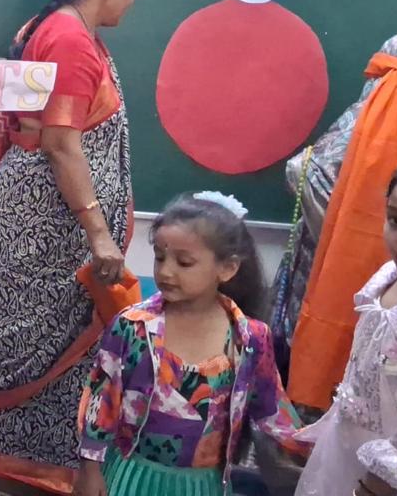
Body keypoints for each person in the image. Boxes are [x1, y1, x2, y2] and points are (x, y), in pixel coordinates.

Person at [0, 0, 144, 494]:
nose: (132, 1)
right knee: (28, 344)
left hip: (45, 221)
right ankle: (4, 471)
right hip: (44, 224)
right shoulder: (70, 39)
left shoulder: (64, 30)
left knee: (30, 340)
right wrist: (99, 235)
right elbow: (62, 144)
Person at [75, 193, 308, 495]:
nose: (166, 271)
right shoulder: (132, 327)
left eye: (184, 262)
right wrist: (90, 468)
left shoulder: (250, 338)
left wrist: (318, 446)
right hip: (130, 477)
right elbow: (100, 401)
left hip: (201, 485)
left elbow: (272, 410)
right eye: (160, 257)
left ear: (228, 268)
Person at [295, 164, 397, 495]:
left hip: (390, 469)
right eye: (395, 220)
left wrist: (382, 480)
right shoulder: (386, 278)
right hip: (346, 448)